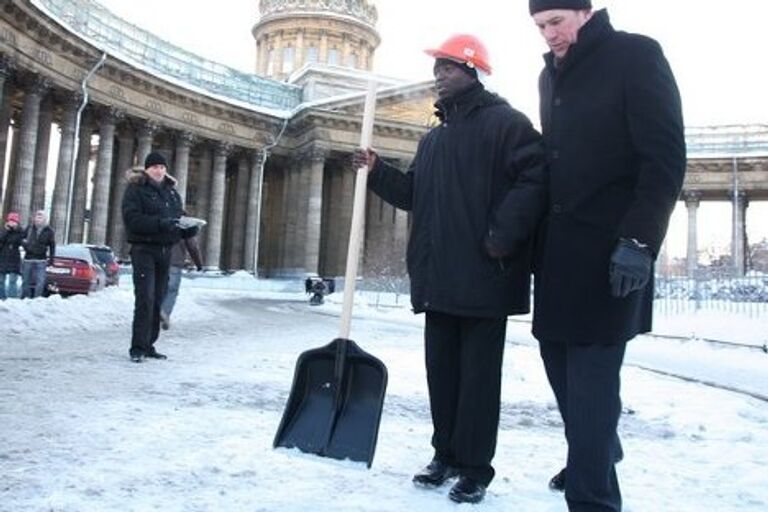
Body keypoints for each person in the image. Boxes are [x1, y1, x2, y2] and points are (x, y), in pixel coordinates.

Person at [353, 34, 546, 504]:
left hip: (484, 276)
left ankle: (476, 468)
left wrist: (504, 235)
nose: (438, 76)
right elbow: (412, 195)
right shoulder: (434, 139)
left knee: (479, 381)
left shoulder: (507, 124)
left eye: (448, 68)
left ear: (473, 71)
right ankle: (445, 454)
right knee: (442, 375)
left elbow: (537, 176)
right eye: (437, 68)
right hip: (439, 278)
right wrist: (377, 170)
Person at [527, 1, 686, 510]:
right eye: (539, 26)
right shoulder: (547, 77)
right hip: (558, 256)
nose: (548, 34)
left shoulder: (636, 56)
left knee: (592, 387)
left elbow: (664, 158)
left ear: (585, 12)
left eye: (556, 21)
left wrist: (640, 241)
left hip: (613, 255)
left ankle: (592, 495)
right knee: (558, 367)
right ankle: (600, 447)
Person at [122, 152, 198, 363]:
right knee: (145, 298)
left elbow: (177, 221)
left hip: (165, 251)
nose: (159, 170)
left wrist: (189, 229)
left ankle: (149, 345)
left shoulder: (172, 194)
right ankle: (137, 348)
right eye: (154, 166)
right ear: (146, 169)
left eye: (162, 167)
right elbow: (132, 220)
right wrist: (161, 224)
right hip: (143, 249)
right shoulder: (135, 190)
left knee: (157, 299)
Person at [159, 234, 203, 330]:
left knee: (158, 288)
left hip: (157, 261)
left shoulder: (159, 219)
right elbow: (193, 246)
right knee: (171, 290)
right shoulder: (184, 225)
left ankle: (155, 312)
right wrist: (198, 263)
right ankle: (165, 312)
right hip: (174, 263)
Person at [21, 210, 56, 299]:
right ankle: (26, 298)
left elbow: (52, 246)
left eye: (41, 217)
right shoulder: (29, 228)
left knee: (40, 281)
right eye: (37, 217)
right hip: (28, 258)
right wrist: (25, 245)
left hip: (41, 259)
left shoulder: (49, 231)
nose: (38, 219)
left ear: (45, 219)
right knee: (25, 280)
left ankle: (37, 299)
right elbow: (21, 239)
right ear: (34, 218)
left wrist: (51, 260)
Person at [0, 212, 24, 300]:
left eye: (14, 221)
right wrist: (7, 231)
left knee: (12, 281)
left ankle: (12, 300)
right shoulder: (3, 231)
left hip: (14, 259)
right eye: (10, 220)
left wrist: (15, 230)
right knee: (1, 281)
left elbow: (18, 241)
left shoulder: (20, 231)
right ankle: (2, 299)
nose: (12, 223)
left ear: (17, 222)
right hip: (3, 258)